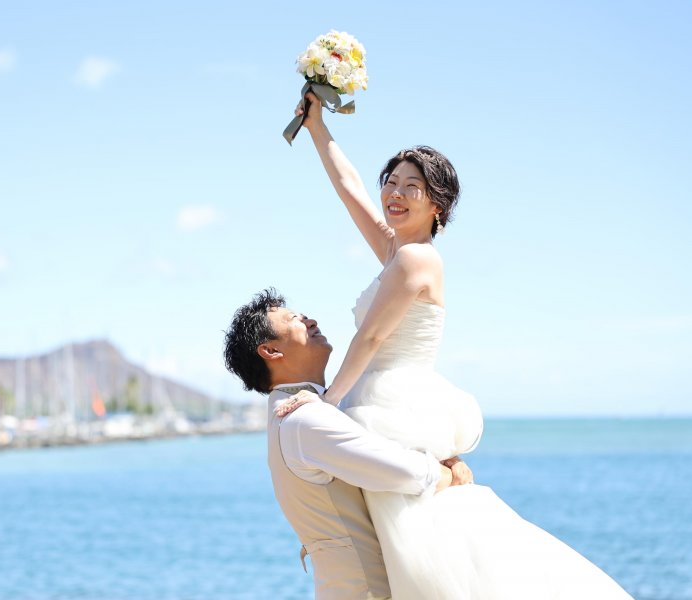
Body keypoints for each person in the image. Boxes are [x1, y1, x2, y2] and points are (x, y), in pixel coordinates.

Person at [270, 93, 633, 598]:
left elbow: (371, 336)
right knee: (398, 531)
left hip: (391, 400)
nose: (395, 193)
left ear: (436, 205)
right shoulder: (398, 252)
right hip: (375, 393)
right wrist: (317, 129)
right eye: (391, 182)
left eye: (411, 187)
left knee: (420, 537)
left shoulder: (416, 260)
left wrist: (327, 402)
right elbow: (350, 190)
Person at [223, 289, 474, 600]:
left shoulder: (299, 412)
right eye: (294, 319)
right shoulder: (305, 419)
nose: (310, 320)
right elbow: (407, 473)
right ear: (271, 350)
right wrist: (451, 473)